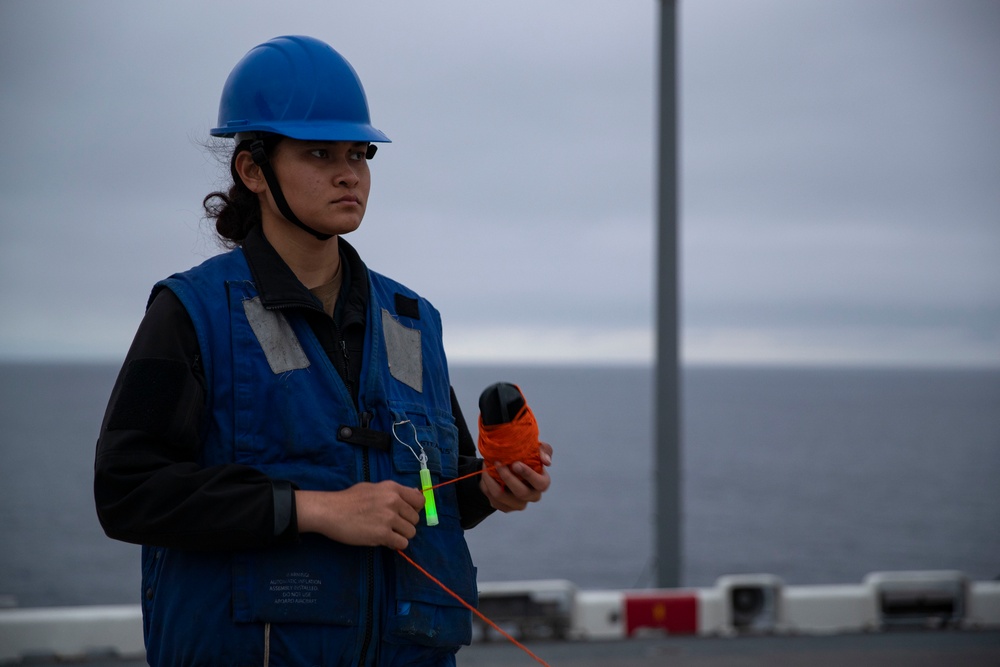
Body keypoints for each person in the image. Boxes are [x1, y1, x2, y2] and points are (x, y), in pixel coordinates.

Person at [94, 35, 552, 667]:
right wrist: (314, 510)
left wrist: (490, 490)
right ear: (252, 170)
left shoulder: (412, 322)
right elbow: (127, 490)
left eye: (359, 155)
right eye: (319, 154)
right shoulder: (190, 312)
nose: (349, 174)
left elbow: (438, 495)